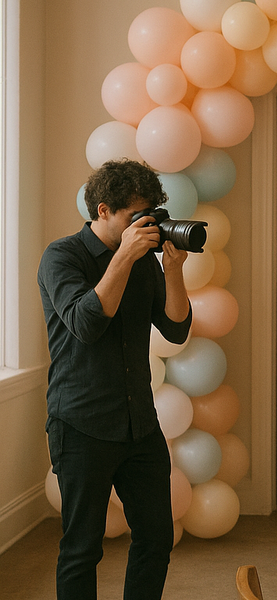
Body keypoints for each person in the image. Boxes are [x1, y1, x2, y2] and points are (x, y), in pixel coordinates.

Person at [38, 159, 192, 600]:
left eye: (151, 216)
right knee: (81, 549)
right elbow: (86, 323)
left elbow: (177, 329)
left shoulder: (145, 261)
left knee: (157, 539)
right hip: (81, 423)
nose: (146, 227)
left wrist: (174, 269)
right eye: (135, 218)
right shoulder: (61, 256)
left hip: (139, 423)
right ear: (103, 211)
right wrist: (124, 256)